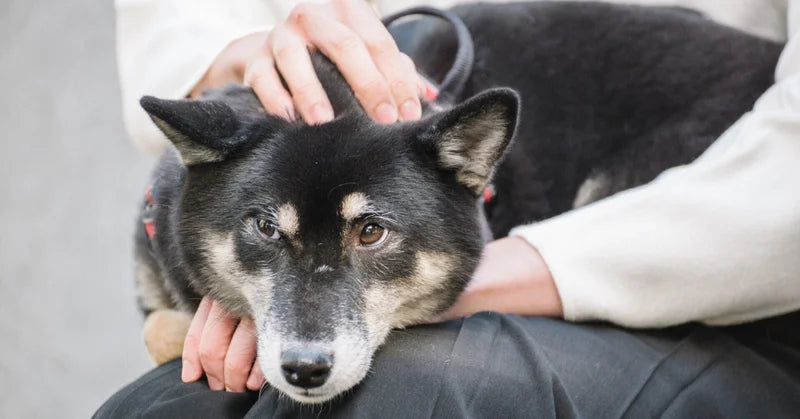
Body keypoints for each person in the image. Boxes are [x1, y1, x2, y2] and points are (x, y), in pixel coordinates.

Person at [98, 0, 800, 417]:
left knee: (398, 399)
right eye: (264, 233)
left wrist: (518, 270)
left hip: (743, 286)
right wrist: (231, 53)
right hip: (362, 119)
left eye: (369, 233)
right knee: (160, 409)